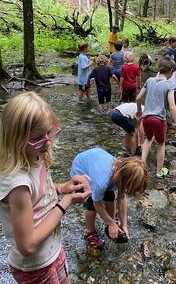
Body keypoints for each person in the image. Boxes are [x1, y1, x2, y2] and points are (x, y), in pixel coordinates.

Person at [0, 92, 91, 284]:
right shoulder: (17, 184)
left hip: (53, 250)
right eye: (38, 137)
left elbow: (38, 195)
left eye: (50, 133)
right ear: (16, 139)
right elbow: (28, 244)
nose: (48, 142)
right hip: (34, 266)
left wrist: (61, 189)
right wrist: (65, 203)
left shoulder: (34, 155)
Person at [70, 148, 148, 248]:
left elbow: (122, 197)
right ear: (123, 180)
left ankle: (110, 223)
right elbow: (96, 203)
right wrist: (111, 223)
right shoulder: (101, 182)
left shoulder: (122, 173)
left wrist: (123, 224)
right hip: (81, 169)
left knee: (110, 196)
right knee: (90, 203)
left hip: (96, 160)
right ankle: (90, 232)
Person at [136, 58, 176, 178]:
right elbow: (172, 106)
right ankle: (158, 172)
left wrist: (139, 110)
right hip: (159, 119)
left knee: (148, 140)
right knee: (161, 144)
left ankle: (142, 167)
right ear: (171, 70)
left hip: (146, 118)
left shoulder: (150, 80)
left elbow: (138, 98)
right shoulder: (169, 85)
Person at [164, 36, 176, 118]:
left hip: (175, 72)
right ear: (171, 42)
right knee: (171, 92)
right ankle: (169, 110)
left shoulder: (175, 51)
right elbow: (167, 62)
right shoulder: (167, 52)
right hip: (170, 73)